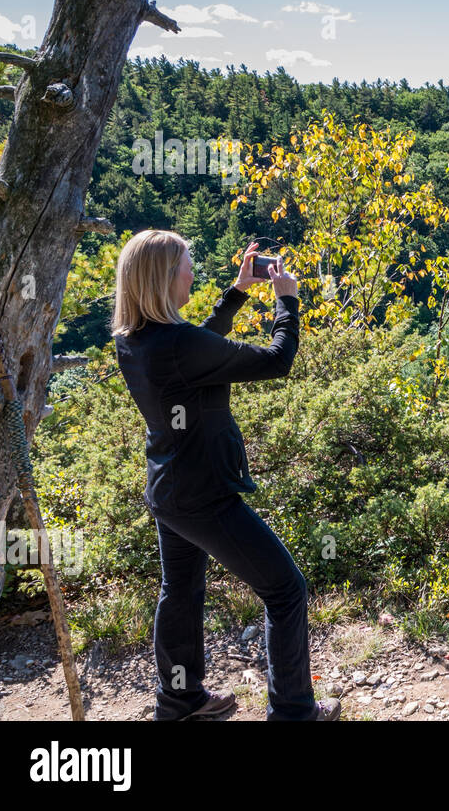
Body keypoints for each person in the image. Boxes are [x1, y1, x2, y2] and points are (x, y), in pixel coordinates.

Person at [111, 230, 340, 721]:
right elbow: (277, 361)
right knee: (285, 590)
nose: (193, 272)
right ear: (165, 277)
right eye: (187, 265)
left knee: (181, 590)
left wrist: (237, 293)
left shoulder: (133, 340)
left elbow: (196, 349)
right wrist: (287, 304)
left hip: (167, 490)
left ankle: (180, 700)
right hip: (204, 495)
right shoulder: (179, 344)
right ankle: (294, 711)